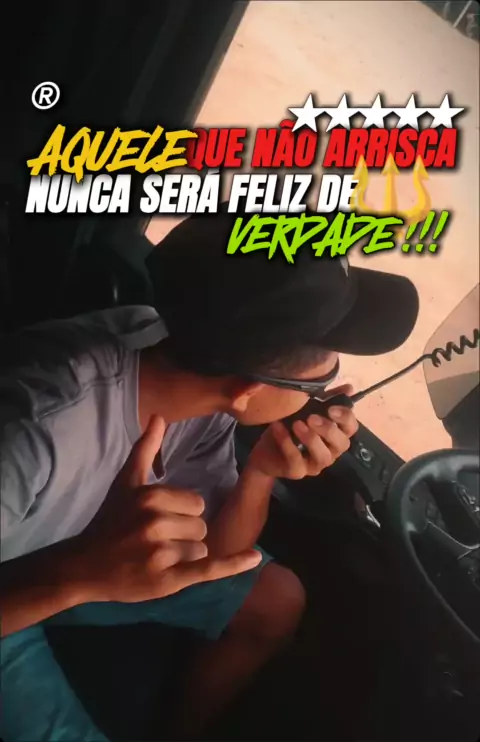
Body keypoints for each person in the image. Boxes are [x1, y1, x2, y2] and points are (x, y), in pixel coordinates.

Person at [0, 211, 419, 741]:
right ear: (248, 390)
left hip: (87, 562)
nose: (330, 393)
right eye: (319, 382)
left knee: (274, 599)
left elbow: (215, 560)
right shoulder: (32, 432)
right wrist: (78, 575)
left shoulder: (187, 361)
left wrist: (261, 472)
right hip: (20, 587)